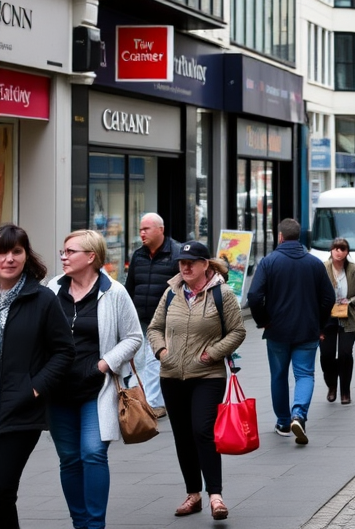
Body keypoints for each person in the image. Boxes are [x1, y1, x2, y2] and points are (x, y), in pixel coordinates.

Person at [48, 230, 144, 529]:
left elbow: (134, 337)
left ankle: (94, 524)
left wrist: (103, 364)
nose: (63, 257)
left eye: (70, 252)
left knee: (92, 453)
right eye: (63, 251)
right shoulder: (52, 289)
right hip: (58, 391)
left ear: (91, 256)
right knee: (69, 458)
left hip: (96, 390)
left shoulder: (114, 292)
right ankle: (80, 523)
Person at [147, 241, 246, 521]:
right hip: (171, 375)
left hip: (207, 375)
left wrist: (211, 354)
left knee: (203, 431)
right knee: (182, 436)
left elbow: (237, 331)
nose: (186, 267)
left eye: (191, 263)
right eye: (182, 263)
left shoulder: (222, 294)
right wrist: (161, 351)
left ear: (205, 264)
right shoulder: (171, 292)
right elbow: (154, 328)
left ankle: (215, 495)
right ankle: (193, 494)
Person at [0, 224, 74, 529]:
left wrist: (34, 389)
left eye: (16, 251)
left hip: (20, 411)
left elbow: (64, 351)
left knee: (3, 490)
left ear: (26, 255)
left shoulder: (42, 299)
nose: (9, 259)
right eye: (2, 252)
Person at [247, 218, 334, 446]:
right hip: (307, 329)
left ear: (280, 236)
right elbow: (329, 298)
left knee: (278, 375)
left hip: (277, 330)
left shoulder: (268, 262)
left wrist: (263, 320)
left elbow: (254, 296)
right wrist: (319, 324)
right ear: (299, 236)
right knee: (304, 374)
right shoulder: (314, 263)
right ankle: (299, 415)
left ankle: (284, 422)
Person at [124, 212, 180, 416]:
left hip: (164, 320)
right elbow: (130, 286)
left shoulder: (176, 253)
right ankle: (147, 399)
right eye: (140, 229)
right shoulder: (138, 255)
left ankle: (154, 404)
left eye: (146, 229)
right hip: (140, 318)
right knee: (140, 360)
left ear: (160, 230)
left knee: (154, 360)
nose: (142, 233)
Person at [321, 237, 355, 404]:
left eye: (342, 249)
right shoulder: (323, 268)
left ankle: (345, 391)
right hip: (327, 317)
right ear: (331, 250)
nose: (339, 252)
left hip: (349, 317)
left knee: (345, 353)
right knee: (327, 355)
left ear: (347, 252)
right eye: (336, 248)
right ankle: (331, 385)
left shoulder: (354, 270)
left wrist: (351, 301)